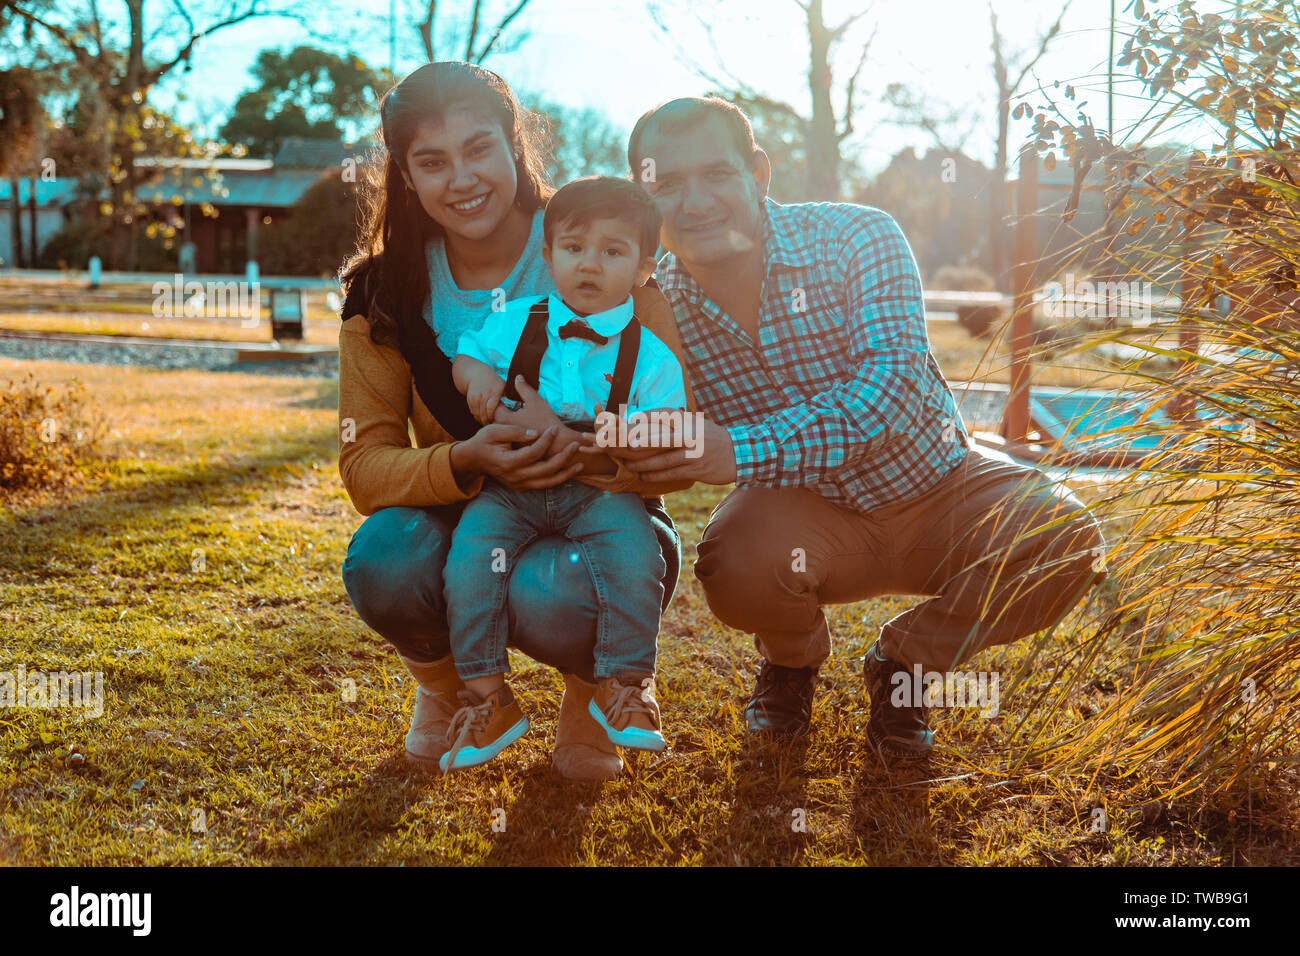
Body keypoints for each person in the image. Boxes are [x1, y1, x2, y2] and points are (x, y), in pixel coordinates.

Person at [607, 96, 1108, 760]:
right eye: (666, 184)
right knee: (734, 562)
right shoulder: (654, 302)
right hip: (805, 514)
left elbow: (893, 391)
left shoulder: (858, 236)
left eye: (716, 174)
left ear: (757, 173)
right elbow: (649, 417)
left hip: (940, 483)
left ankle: (904, 666)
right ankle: (790, 664)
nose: (694, 201)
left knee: (1067, 542)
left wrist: (737, 449)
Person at [336, 62, 692, 783]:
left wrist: (588, 445)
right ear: (405, 176)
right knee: (384, 557)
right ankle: (453, 697)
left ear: (514, 147)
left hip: (602, 507)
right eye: (432, 162)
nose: (462, 179)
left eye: (479, 149)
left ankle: (591, 701)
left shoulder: (601, 235)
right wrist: (469, 461)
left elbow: (681, 442)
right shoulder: (384, 292)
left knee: (554, 590)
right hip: (476, 508)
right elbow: (365, 464)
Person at [440, 176, 687, 772]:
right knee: (470, 557)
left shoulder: (649, 353)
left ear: (644, 267)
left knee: (634, 556)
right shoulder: (520, 318)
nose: (590, 265)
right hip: (513, 488)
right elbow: (468, 354)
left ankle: (625, 688)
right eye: (574, 248)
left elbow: (671, 428)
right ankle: (487, 697)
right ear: (548, 257)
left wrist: (602, 435)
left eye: (612, 251)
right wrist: (478, 381)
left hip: (598, 492)